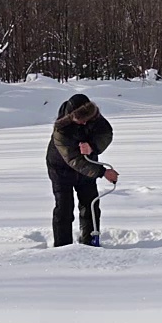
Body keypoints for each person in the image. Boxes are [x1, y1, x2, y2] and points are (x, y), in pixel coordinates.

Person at [46, 94, 119, 247]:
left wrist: (92, 146)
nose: (85, 122)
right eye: (81, 120)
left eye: (87, 118)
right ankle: (62, 247)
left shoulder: (94, 117)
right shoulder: (61, 130)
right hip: (61, 169)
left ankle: (90, 242)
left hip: (88, 165)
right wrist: (102, 172)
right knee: (64, 208)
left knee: (90, 205)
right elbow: (74, 160)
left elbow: (106, 134)